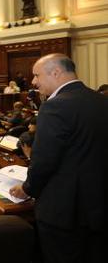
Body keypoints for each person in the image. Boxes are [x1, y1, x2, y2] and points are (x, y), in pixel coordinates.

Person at [9, 54, 108, 263]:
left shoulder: (55, 106)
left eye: (37, 75)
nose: (34, 82)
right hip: (98, 205)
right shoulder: (101, 100)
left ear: (55, 72)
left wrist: (26, 189)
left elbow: (44, 160)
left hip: (64, 212)